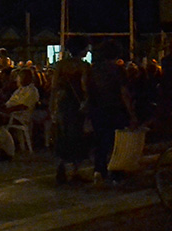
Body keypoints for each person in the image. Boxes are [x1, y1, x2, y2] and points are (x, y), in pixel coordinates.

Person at [85, 39, 136, 185]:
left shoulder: (93, 70)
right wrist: (132, 114)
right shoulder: (118, 70)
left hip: (97, 109)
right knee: (116, 143)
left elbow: (87, 90)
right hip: (115, 109)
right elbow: (124, 93)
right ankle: (116, 173)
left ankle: (99, 170)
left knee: (100, 141)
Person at [50, 36, 90, 183]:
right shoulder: (83, 66)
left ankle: (61, 167)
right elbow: (85, 87)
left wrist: (52, 107)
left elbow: (54, 87)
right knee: (77, 137)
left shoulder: (60, 65)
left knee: (62, 136)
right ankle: (75, 171)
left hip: (62, 104)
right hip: (76, 106)